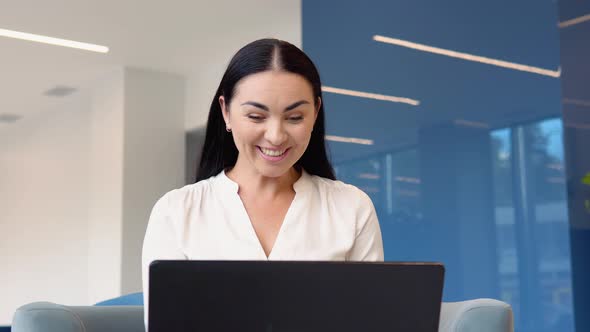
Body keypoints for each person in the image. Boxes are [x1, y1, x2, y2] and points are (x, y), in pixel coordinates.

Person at [141, 38, 384, 325]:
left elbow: (372, 322)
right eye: (256, 116)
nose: (276, 136)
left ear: (315, 113)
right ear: (226, 111)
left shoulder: (351, 207)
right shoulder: (177, 211)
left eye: (294, 117)